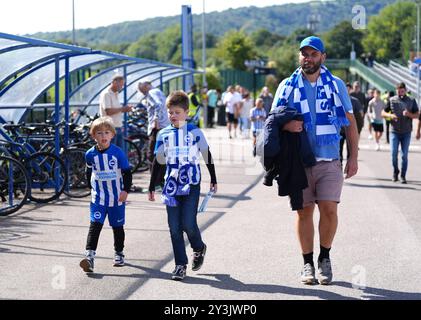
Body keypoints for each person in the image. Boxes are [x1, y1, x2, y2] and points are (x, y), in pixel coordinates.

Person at [271, 36, 359, 285]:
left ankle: (325, 258)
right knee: (303, 213)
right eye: (304, 54)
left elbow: (350, 124)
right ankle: (307, 263)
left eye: (313, 54)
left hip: (329, 159)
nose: (307, 58)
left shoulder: (337, 85)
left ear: (323, 57)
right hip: (297, 161)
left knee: (329, 209)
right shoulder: (286, 86)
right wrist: (287, 124)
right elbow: (272, 122)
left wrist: (353, 157)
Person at [148, 90, 217, 281]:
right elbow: (158, 161)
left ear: (186, 112)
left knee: (188, 223)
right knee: (174, 226)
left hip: (191, 183)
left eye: (177, 112)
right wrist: (152, 186)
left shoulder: (194, 131)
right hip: (171, 185)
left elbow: (206, 154)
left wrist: (213, 178)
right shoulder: (163, 134)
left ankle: (198, 247)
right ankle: (180, 265)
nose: (173, 116)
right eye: (170, 112)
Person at [79, 117, 133, 273]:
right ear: (93, 136)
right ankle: (89, 257)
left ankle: (119, 253)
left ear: (112, 135)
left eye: (106, 132)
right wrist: (91, 188)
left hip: (116, 197)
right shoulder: (90, 154)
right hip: (98, 198)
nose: (103, 136)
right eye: (99, 133)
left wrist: (125, 191)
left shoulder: (117, 153)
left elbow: (127, 172)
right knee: (95, 225)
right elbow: (88, 171)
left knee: (117, 227)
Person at [382, 82, 419, 184]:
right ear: (396, 90)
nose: (400, 93)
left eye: (402, 91)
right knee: (393, 154)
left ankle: (403, 175)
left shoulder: (411, 100)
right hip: (394, 131)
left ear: (405, 90)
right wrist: (390, 116)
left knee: (404, 155)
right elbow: (383, 112)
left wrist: (409, 114)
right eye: (398, 91)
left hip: (406, 132)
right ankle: (395, 172)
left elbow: (417, 115)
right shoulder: (392, 100)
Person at [138, 81, 170, 173]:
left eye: (141, 89)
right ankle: (160, 178)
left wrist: (156, 120)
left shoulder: (151, 92)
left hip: (157, 127)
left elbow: (158, 105)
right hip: (164, 125)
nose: (141, 92)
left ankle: (155, 180)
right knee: (161, 152)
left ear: (146, 85)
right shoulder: (158, 91)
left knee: (152, 153)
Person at [99, 75, 133, 149]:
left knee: (119, 153)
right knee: (111, 152)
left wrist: (124, 109)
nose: (121, 87)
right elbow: (108, 111)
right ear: (114, 82)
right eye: (120, 84)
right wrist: (122, 109)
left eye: (122, 85)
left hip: (117, 127)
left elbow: (116, 110)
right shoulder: (106, 94)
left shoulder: (115, 93)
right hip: (109, 128)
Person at [340, 83, 364, 163]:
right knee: (339, 150)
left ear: (350, 90)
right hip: (340, 129)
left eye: (348, 89)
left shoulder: (355, 101)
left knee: (350, 149)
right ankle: (339, 167)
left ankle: (349, 164)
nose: (346, 90)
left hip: (350, 129)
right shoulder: (337, 99)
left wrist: (359, 127)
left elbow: (361, 114)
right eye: (345, 88)